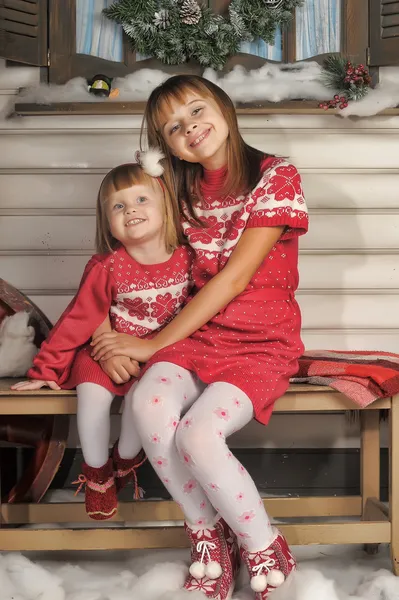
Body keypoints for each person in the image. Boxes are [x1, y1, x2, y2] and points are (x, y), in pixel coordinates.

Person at [91, 75, 308, 599]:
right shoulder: (176, 190)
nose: (190, 128)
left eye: (196, 110)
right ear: (164, 145)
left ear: (225, 108)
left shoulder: (276, 176)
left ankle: (261, 542)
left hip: (260, 338)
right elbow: (121, 251)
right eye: (172, 126)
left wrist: (148, 344)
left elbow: (234, 278)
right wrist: (104, 329)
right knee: (147, 403)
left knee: (197, 435)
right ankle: (209, 537)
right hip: (197, 332)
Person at [11, 150, 193, 522]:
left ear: (166, 208)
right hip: (103, 351)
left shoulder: (188, 260)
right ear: (107, 222)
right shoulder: (107, 266)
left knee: (140, 410)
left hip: (159, 357)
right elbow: (78, 319)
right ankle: (96, 472)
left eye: (142, 199)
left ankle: (124, 461)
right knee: (92, 395)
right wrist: (45, 370)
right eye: (118, 206)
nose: (132, 210)